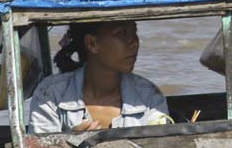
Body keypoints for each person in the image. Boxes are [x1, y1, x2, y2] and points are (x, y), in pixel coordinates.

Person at [28, 20, 169, 134]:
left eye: (134, 32)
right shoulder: (51, 93)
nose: (134, 42)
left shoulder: (149, 96)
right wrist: (70, 144)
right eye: (123, 32)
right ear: (92, 43)